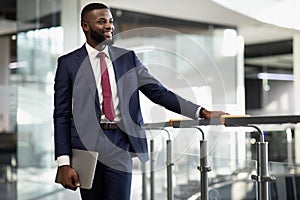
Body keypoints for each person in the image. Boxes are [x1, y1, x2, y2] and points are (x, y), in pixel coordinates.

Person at [53, 2, 228, 200]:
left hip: (119, 143)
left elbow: (158, 92)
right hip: (86, 147)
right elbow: (61, 114)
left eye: (110, 21)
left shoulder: (127, 58)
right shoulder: (68, 63)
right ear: (85, 26)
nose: (109, 26)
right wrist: (64, 163)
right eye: (102, 22)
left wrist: (201, 112)